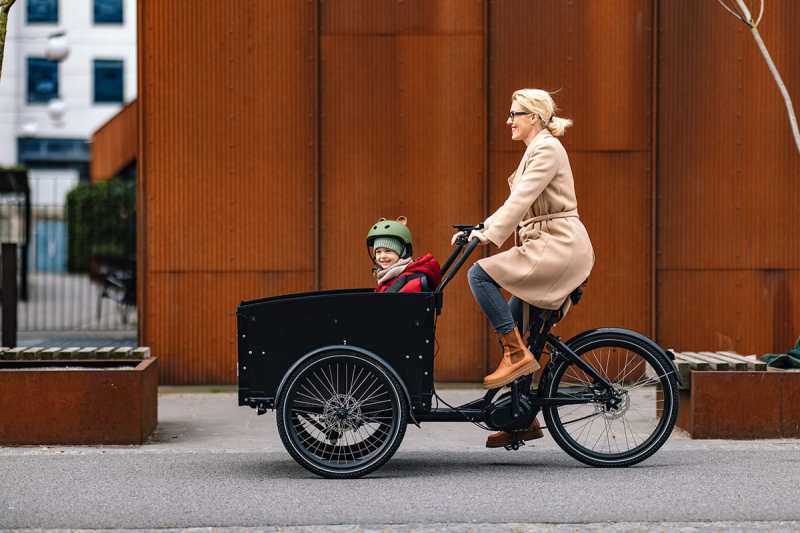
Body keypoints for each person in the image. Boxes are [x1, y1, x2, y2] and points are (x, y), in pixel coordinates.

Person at [452, 89, 595, 448]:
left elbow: (520, 200)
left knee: (479, 275)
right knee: (516, 323)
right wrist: (479, 229)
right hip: (545, 244)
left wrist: (488, 236)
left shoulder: (546, 148)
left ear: (533, 117)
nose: (508, 121)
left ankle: (515, 356)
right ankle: (523, 418)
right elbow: (511, 204)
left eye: (514, 114)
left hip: (558, 246)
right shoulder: (538, 149)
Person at [367, 217, 441, 293]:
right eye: (378, 252)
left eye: (388, 251)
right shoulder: (388, 277)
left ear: (403, 253)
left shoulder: (411, 280)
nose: (382, 256)